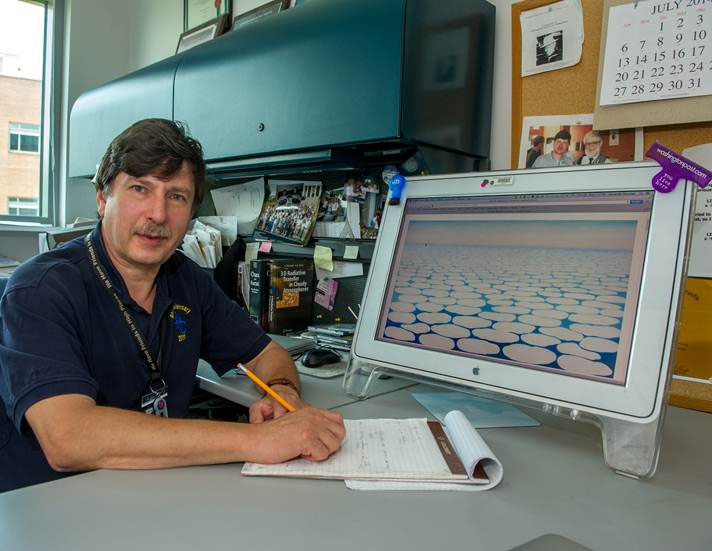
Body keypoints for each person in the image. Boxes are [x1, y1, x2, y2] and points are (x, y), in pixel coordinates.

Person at [0, 119, 345, 492]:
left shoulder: (186, 279)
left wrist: (284, 395)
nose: (158, 214)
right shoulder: (41, 289)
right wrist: (261, 441)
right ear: (103, 199)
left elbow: (267, 354)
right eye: (139, 189)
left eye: (176, 196)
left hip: (155, 488)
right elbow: (68, 439)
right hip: (51, 504)